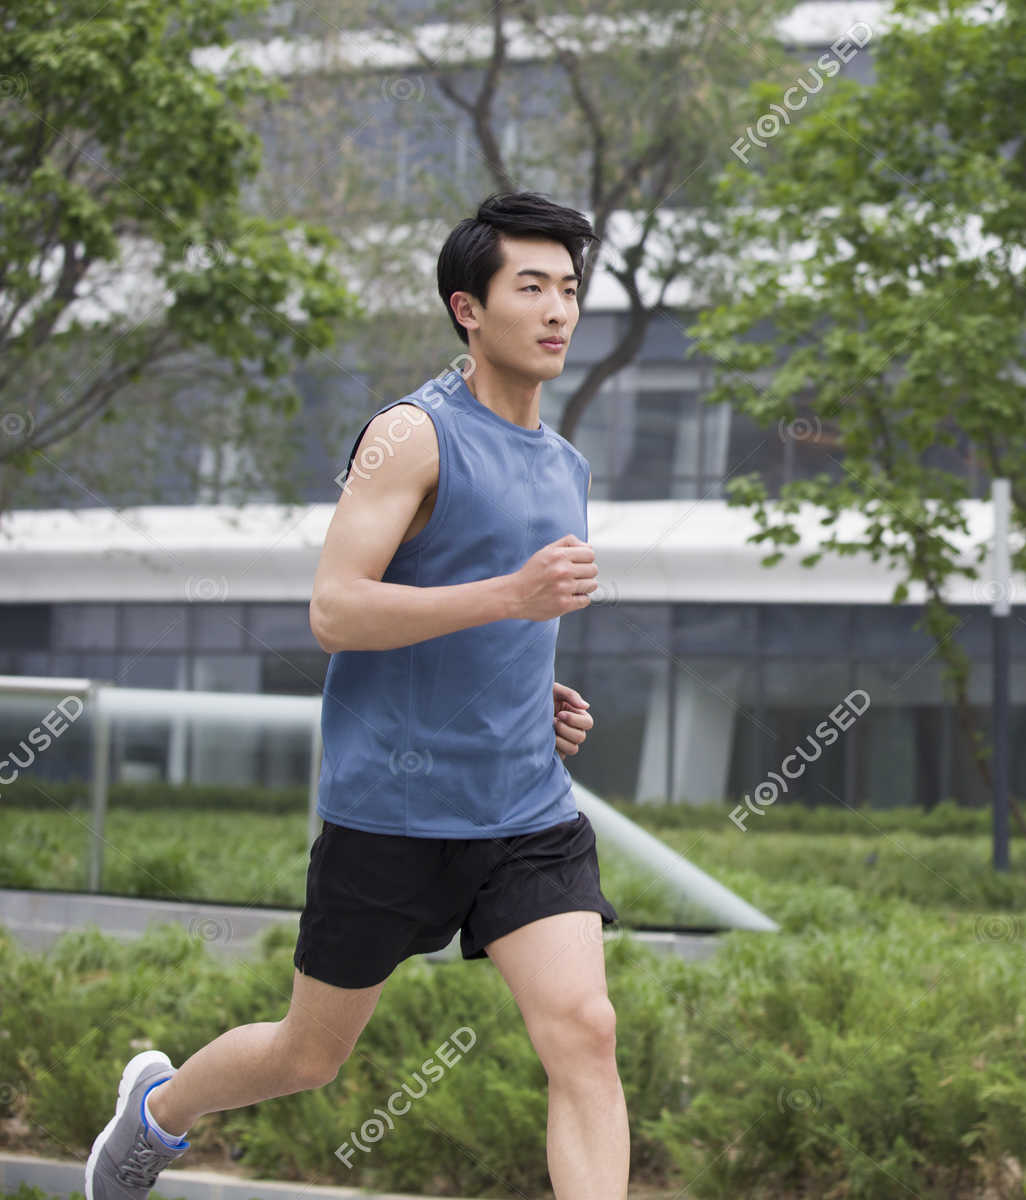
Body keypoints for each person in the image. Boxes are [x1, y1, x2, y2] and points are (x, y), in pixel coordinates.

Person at [85, 192, 629, 1200]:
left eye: (569, 289)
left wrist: (526, 685)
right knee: (307, 1057)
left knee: (586, 1034)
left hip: (524, 811)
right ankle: (161, 1112)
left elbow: (475, 616)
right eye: (532, 288)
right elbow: (337, 610)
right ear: (469, 307)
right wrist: (509, 597)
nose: (559, 311)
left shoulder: (565, 466)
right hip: (392, 812)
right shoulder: (411, 435)